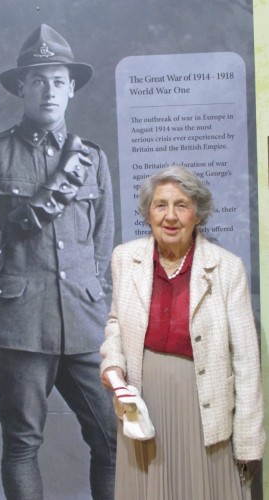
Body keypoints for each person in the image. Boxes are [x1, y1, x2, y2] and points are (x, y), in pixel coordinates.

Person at [0, 23, 116, 500]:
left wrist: (90, 295)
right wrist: (8, 293)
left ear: (71, 90)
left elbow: (101, 242)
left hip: (84, 325)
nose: (48, 90)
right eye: (38, 79)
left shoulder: (92, 159)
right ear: (21, 87)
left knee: (113, 438)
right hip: (20, 328)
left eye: (58, 80)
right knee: (23, 444)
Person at [100, 165, 265, 500]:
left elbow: (247, 363)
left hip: (204, 405)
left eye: (182, 205)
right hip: (144, 403)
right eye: (161, 205)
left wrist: (249, 442)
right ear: (148, 213)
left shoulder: (227, 268)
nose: (170, 216)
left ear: (198, 215)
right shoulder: (125, 258)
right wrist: (113, 367)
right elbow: (116, 323)